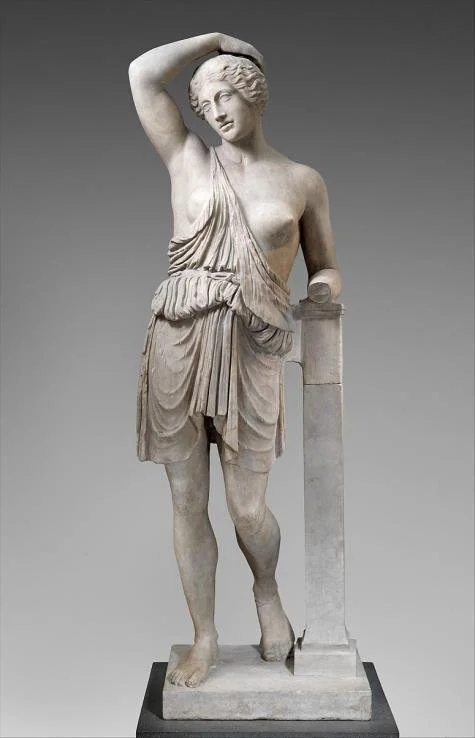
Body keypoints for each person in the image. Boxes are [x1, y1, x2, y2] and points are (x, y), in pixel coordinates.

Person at [129, 33, 341, 688]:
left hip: (252, 347)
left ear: (254, 94)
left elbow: (325, 264)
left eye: (225, 95)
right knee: (186, 499)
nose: (214, 111)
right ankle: (204, 636)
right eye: (204, 102)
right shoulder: (187, 159)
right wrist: (213, 41)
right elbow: (142, 75)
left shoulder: (302, 181)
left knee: (247, 506)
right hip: (179, 341)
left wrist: (323, 290)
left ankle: (266, 589)